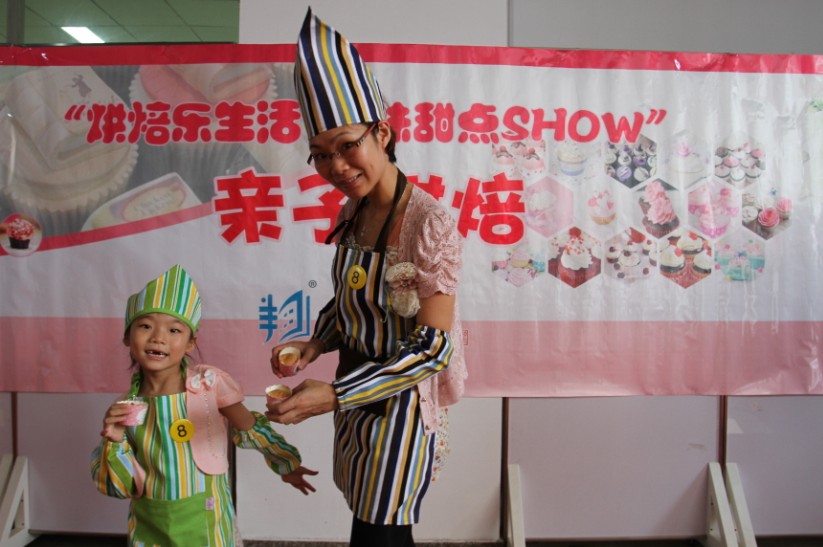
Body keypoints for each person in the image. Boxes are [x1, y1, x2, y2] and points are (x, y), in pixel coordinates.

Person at [266, 9, 466, 547]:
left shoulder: (429, 222)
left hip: (399, 405)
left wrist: (333, 396)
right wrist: (314, 344)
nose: (335, 167)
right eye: (320, 155)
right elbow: (350, 301)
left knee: (381, 532)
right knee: (369, 525)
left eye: (347, 146)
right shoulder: (352, 211)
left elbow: (433, 348)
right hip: (354, 395)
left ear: (381, 132)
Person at [91, 264, 317, 546]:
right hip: (150, 527)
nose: (158, 337)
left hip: (207, 522)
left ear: (190, 343)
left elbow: (250, 428)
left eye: (174, 330)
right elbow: (119, 487)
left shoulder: (210, 386)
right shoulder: (125, 407)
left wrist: (286, 463)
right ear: (128, 336)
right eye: (145, 326)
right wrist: (113, 440)